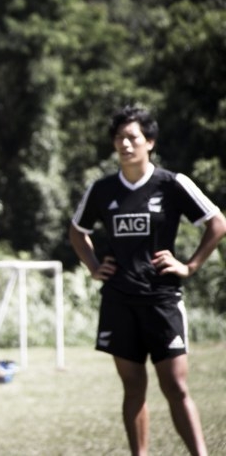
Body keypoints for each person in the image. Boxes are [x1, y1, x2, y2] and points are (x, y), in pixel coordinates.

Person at [69, 106, 226, 456]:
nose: (125, 145)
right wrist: (94, 266)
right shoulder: (102, 189)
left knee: (175, 386)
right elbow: (77, 232)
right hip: (119, 301)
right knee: (133, 388)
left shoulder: (172, 184)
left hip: (162, 300)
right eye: (119, 139)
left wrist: (190, 266)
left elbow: (217, 223)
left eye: (132, 138)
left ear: (149, 142)